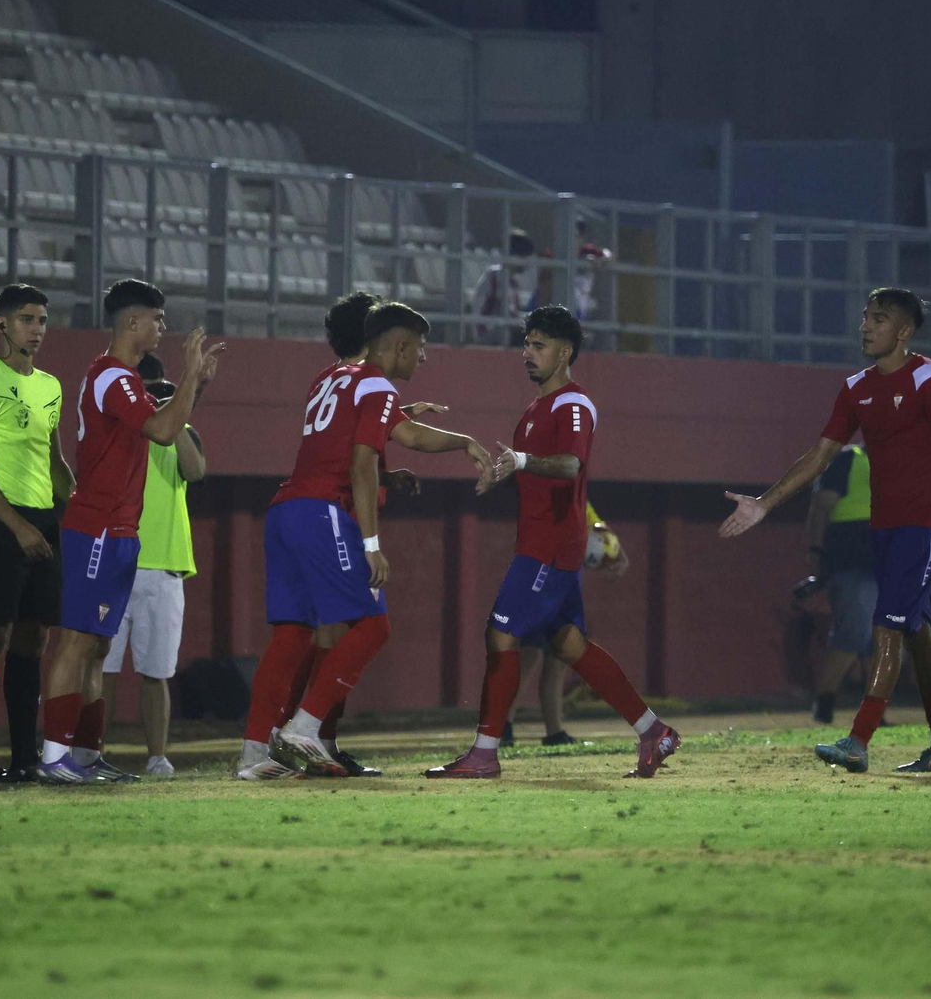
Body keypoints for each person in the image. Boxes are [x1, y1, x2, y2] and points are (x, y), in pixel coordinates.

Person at [720, 287, 931, 775]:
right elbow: (820, 454)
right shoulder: (856, 387)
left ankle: (858, 739)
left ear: (905, 331)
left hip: (925, 529)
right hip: (884, 532)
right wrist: (766, 502)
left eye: (879, 318)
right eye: (865, 317)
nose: (865, 326)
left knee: (886, 629)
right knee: (917, 636)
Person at [428, 305, 681, 780]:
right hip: (545, 542)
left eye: (538, 345)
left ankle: (484, 753)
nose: (527, 353)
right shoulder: (536, 408)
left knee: (500, 633)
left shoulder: (573, 405)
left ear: (565, 351)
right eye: (526, 343)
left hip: (551, 546)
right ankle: (654, 732)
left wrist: (521, 460)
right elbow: (540, 470)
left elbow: (570, 466)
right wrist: (506, 473)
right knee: (569, 646)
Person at [250, 302, 491, 777]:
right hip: (324, 512)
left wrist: (461, 440)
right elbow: (361, 463)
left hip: (286, 510)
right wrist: (371, 544)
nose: (422, 359)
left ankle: (254, 752)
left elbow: (405, 435)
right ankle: (305, 729)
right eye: (419, 348)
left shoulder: (330, 378)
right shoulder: (377, 383)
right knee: (373, 626)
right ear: (398, 345)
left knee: (291, 634)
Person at [36, 279, 223, 783]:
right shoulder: (112, 377)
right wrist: (186, 376)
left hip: (119, 529)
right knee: (76, 641)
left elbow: (164, 424)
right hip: (96, 526)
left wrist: (194, 385)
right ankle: (53, 756)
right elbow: (163, 431)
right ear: (133, 322)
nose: (163, 327)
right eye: (158, 319)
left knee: (96, 646)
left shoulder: (125, 382)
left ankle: (84, 755)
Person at [0, 284, 74, 785]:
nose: (37, 329)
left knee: (35, 638)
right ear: (2, 324)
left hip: (44, 522)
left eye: (42, 320)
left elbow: (55, 461)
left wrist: (80, 509)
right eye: (27, 319)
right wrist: (18, 525)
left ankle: (25, 758)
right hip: (2, 525)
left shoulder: (51, 386)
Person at [102, 353, 204, 777]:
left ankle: (157, 756)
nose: (151, 395)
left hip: (164, 565)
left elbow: (196, 471)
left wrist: (174, 417)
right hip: (114, 559)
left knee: (156, 671)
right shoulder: (115, 429)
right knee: (101, 667)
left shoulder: (180, 429)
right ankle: (92, 752)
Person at [502, 500, 629, 747]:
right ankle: (503, 726)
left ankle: (554, 732)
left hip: (564, 592)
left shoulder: (578, 499)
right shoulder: (548, 496)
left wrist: (619, 556)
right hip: (541, 588)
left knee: (556, 662)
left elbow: (599, 529)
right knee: (528, 657)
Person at [804, 443, 880, 725]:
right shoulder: (849, 458)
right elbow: (821, 504)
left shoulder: (897, 460)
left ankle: (874, 711)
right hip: (851, 562)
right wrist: (815, 550)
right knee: (853, 635)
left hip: (884, 565)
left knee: (879, 641)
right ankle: (824, 704)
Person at [470, 229, 538, 345]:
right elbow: (509, 314)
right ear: (515, 256)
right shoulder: (497, 275)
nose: (528, 262)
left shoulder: (510, 279)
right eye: (525, 257)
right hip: (487, 331)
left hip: (498, 328)